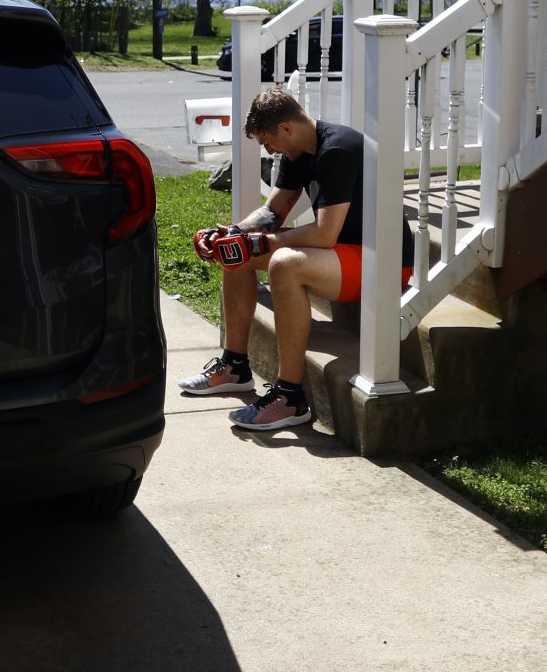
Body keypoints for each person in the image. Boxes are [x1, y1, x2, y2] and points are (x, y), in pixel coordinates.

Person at [177, 86, 413, 430]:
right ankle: (235, 366)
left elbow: (323, 234)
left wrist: (260, 243)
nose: (269, 150)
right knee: (236, 252)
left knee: (283, 264)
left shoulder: (339, 149)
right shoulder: (297, 153)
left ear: (286, 128)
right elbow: (273, 211)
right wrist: (236, 233)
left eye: (268, 142)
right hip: (341, 256)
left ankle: (290, 397)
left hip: (384, 262)